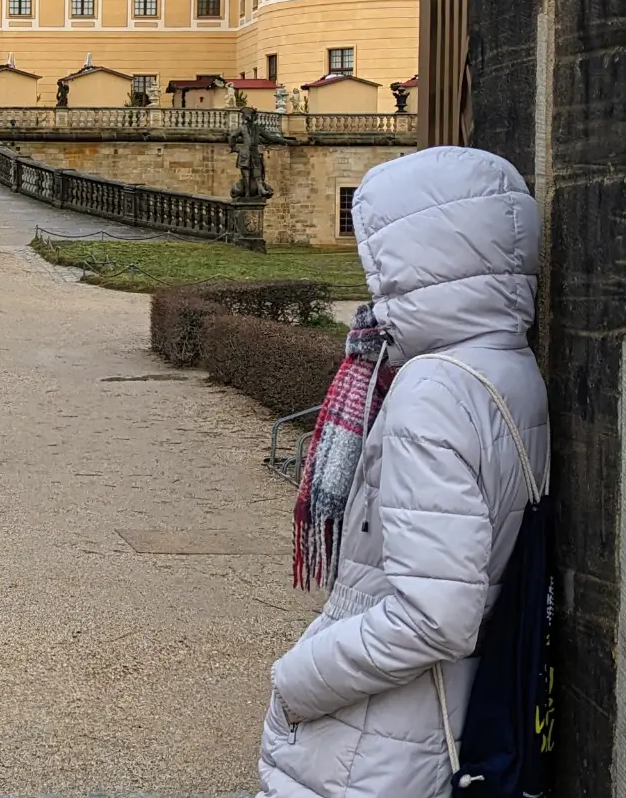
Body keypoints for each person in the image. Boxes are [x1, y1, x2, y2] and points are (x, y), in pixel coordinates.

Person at [259, 145, 549, 798]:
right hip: (430, 720)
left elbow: (435, 616)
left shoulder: (430, 392)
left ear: (424, 258)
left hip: (374, 741)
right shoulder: (509, 369)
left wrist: (296, 679)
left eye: (379, 258)